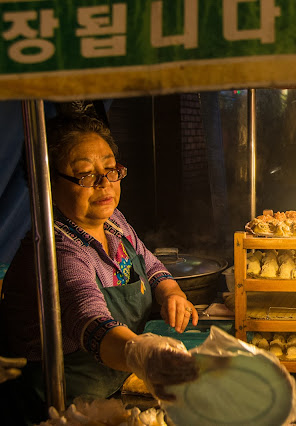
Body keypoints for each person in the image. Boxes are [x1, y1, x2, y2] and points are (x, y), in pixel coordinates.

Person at [0, 114, 200, 424]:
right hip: (58, 406)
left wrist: (171, 293)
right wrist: (142, 353)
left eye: (110, 169)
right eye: (85, 175)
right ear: (48, 182)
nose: (104, 183)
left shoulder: (113, 222)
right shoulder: (56, 250)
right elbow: (91, 321)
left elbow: (149, 264)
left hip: (110, 390)